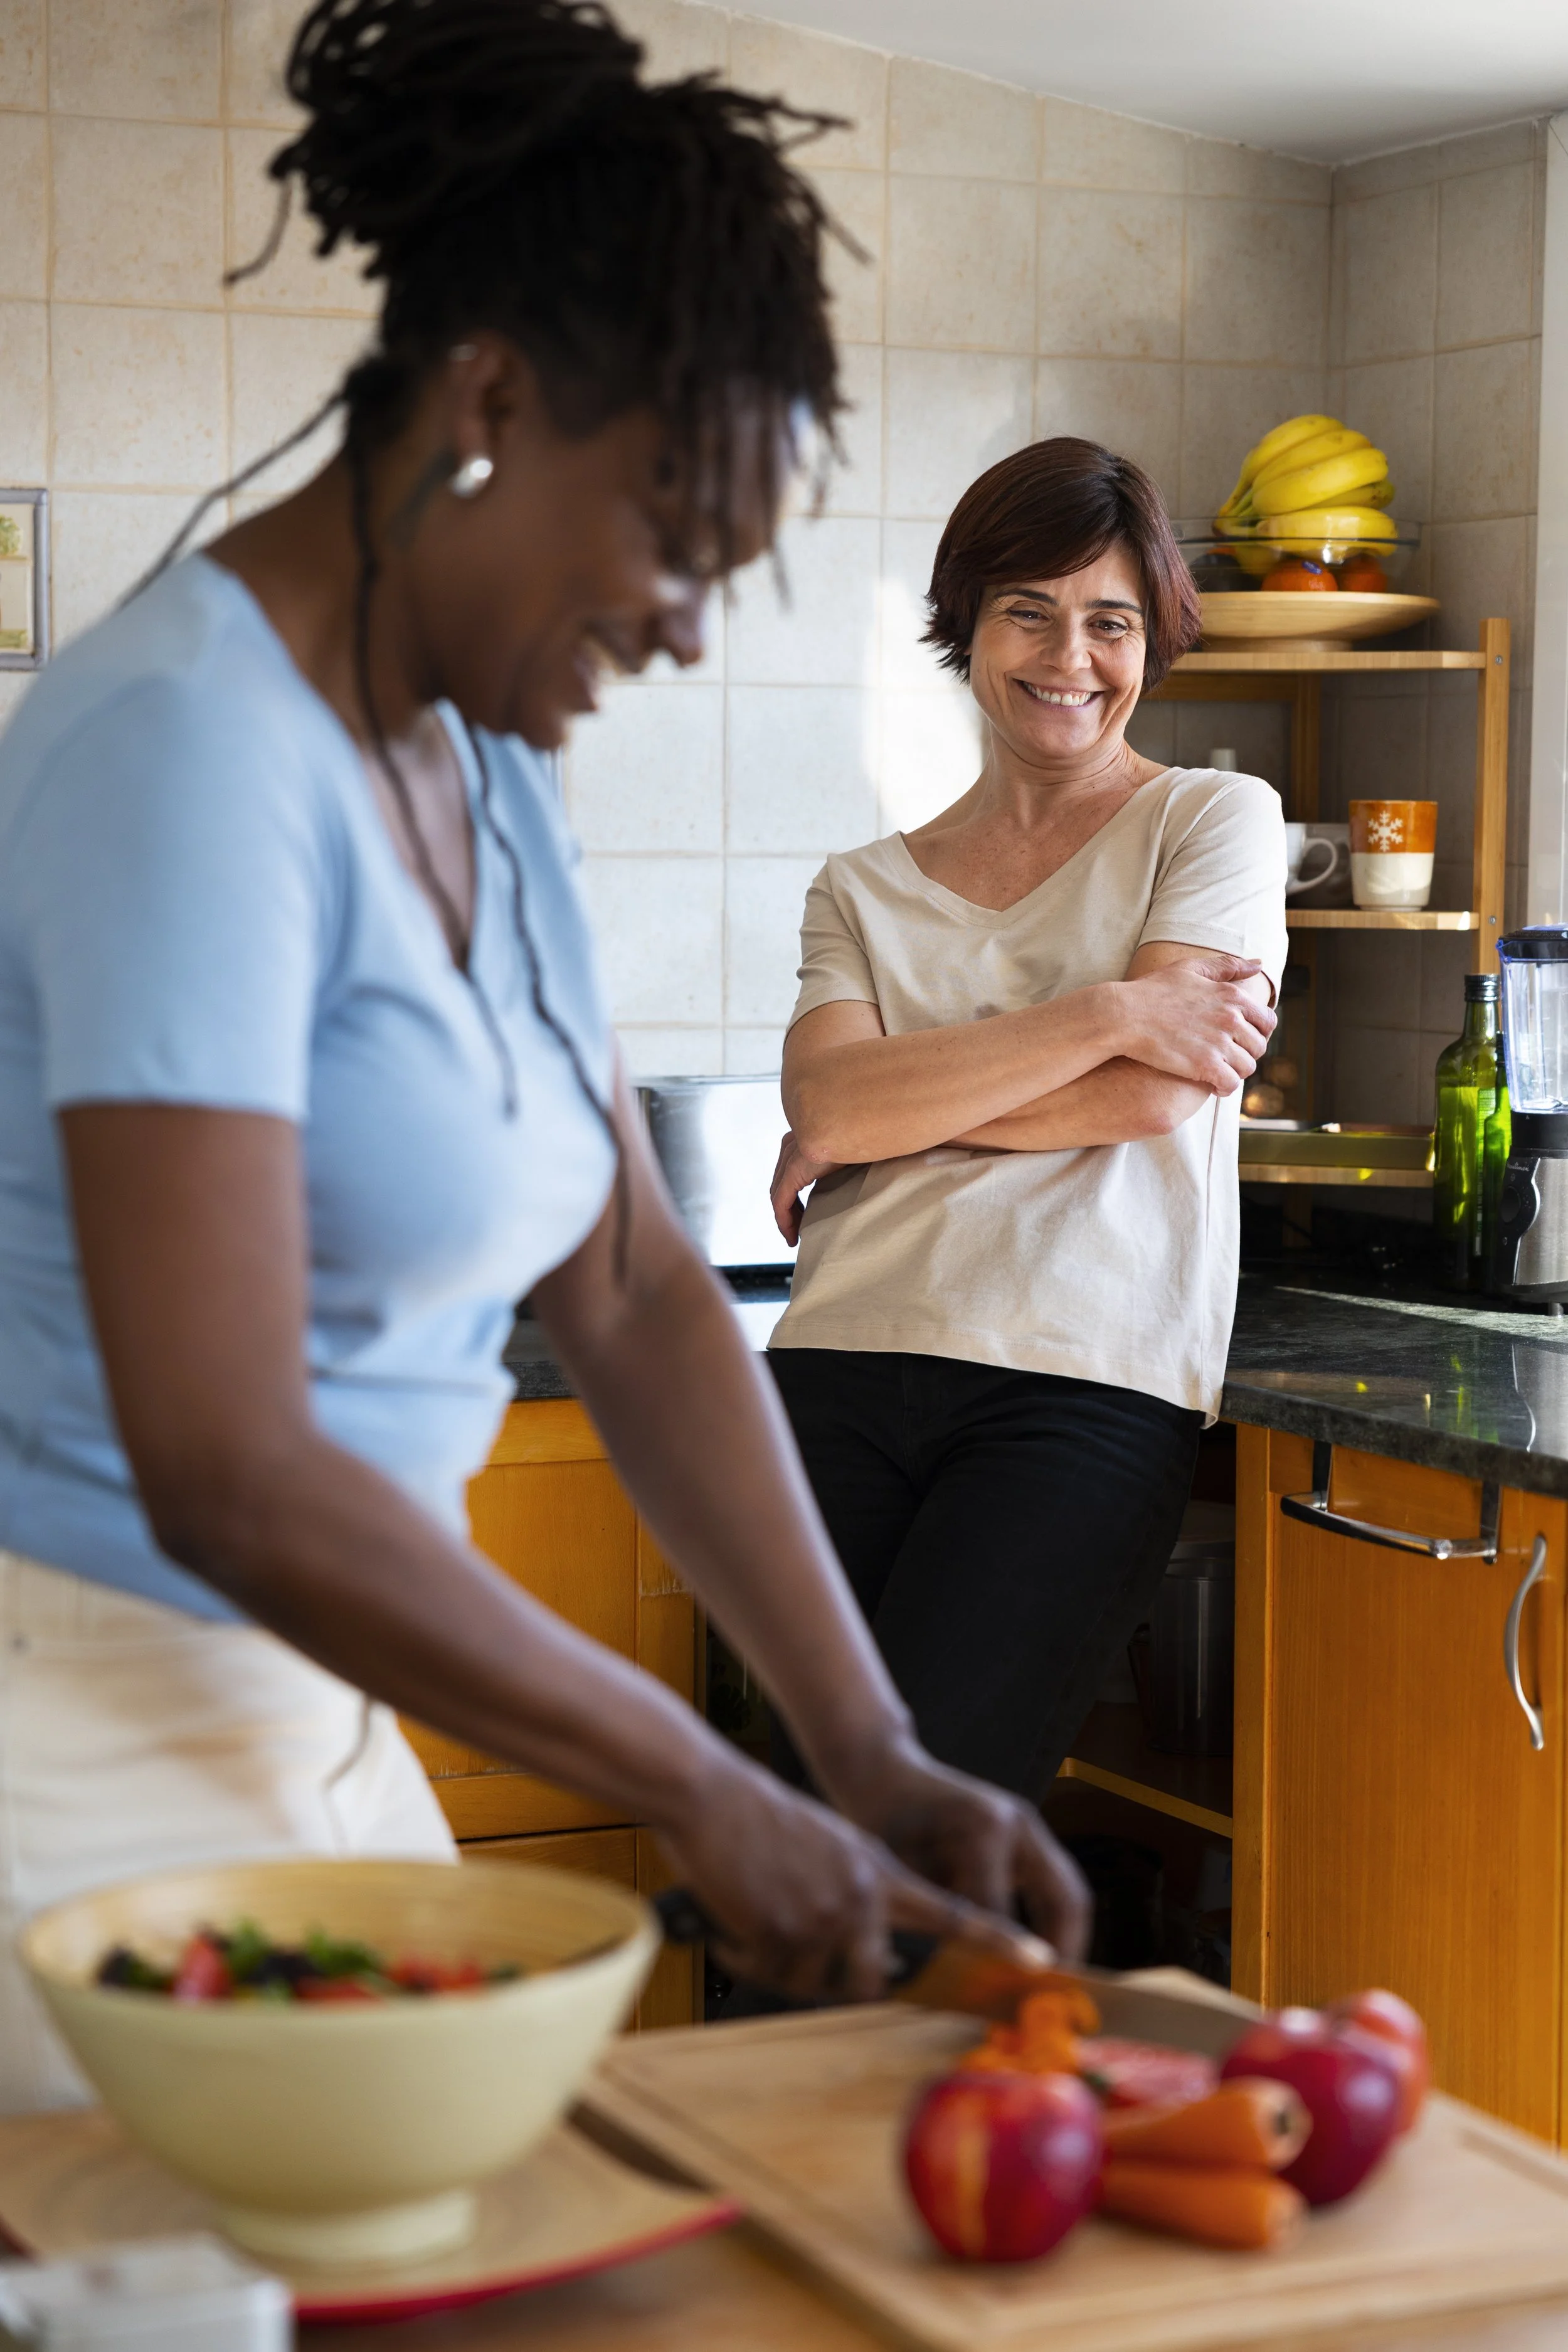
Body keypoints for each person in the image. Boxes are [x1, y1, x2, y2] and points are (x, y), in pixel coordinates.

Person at [0, 0, 1088, 2112]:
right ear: (487, 399)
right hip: (84, 1752)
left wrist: (864, 1748)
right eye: (674, 541)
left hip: (327, 1722)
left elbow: (629, 1278)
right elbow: (227, 1468)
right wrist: (699, 1780)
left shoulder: (484, 757)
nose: (686, 627)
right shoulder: (184, 751)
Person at [767, 437, 1286, 1803]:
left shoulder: (1211, 822)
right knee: (801, 1816)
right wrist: (1111, 1009)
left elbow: (1161, 1090)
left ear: (1151, 637)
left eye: (1110, 620)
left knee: (920, 1816)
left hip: (1078, 1380)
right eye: (1029, 612)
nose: (1071, 657)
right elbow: (828, 1100)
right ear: (967, 623)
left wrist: (894, 1115)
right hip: (836, 1362)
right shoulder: (860, 888)